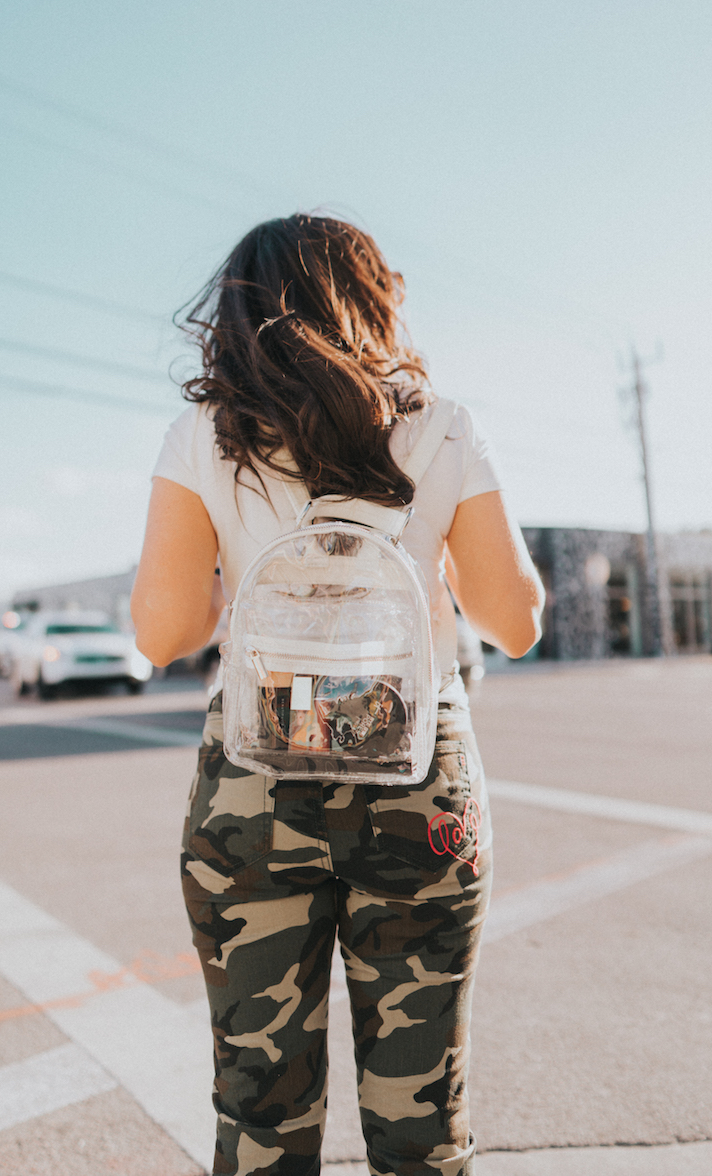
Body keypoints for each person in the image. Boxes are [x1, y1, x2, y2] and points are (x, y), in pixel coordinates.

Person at [131, 214, 544, 1176]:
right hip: (418, 787)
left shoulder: (204, 432)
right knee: (421, 1122)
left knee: (261, 1114)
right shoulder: (439, 423)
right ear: (371, 298)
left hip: (252, 786)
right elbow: (515, 623)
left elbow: (160, 634)